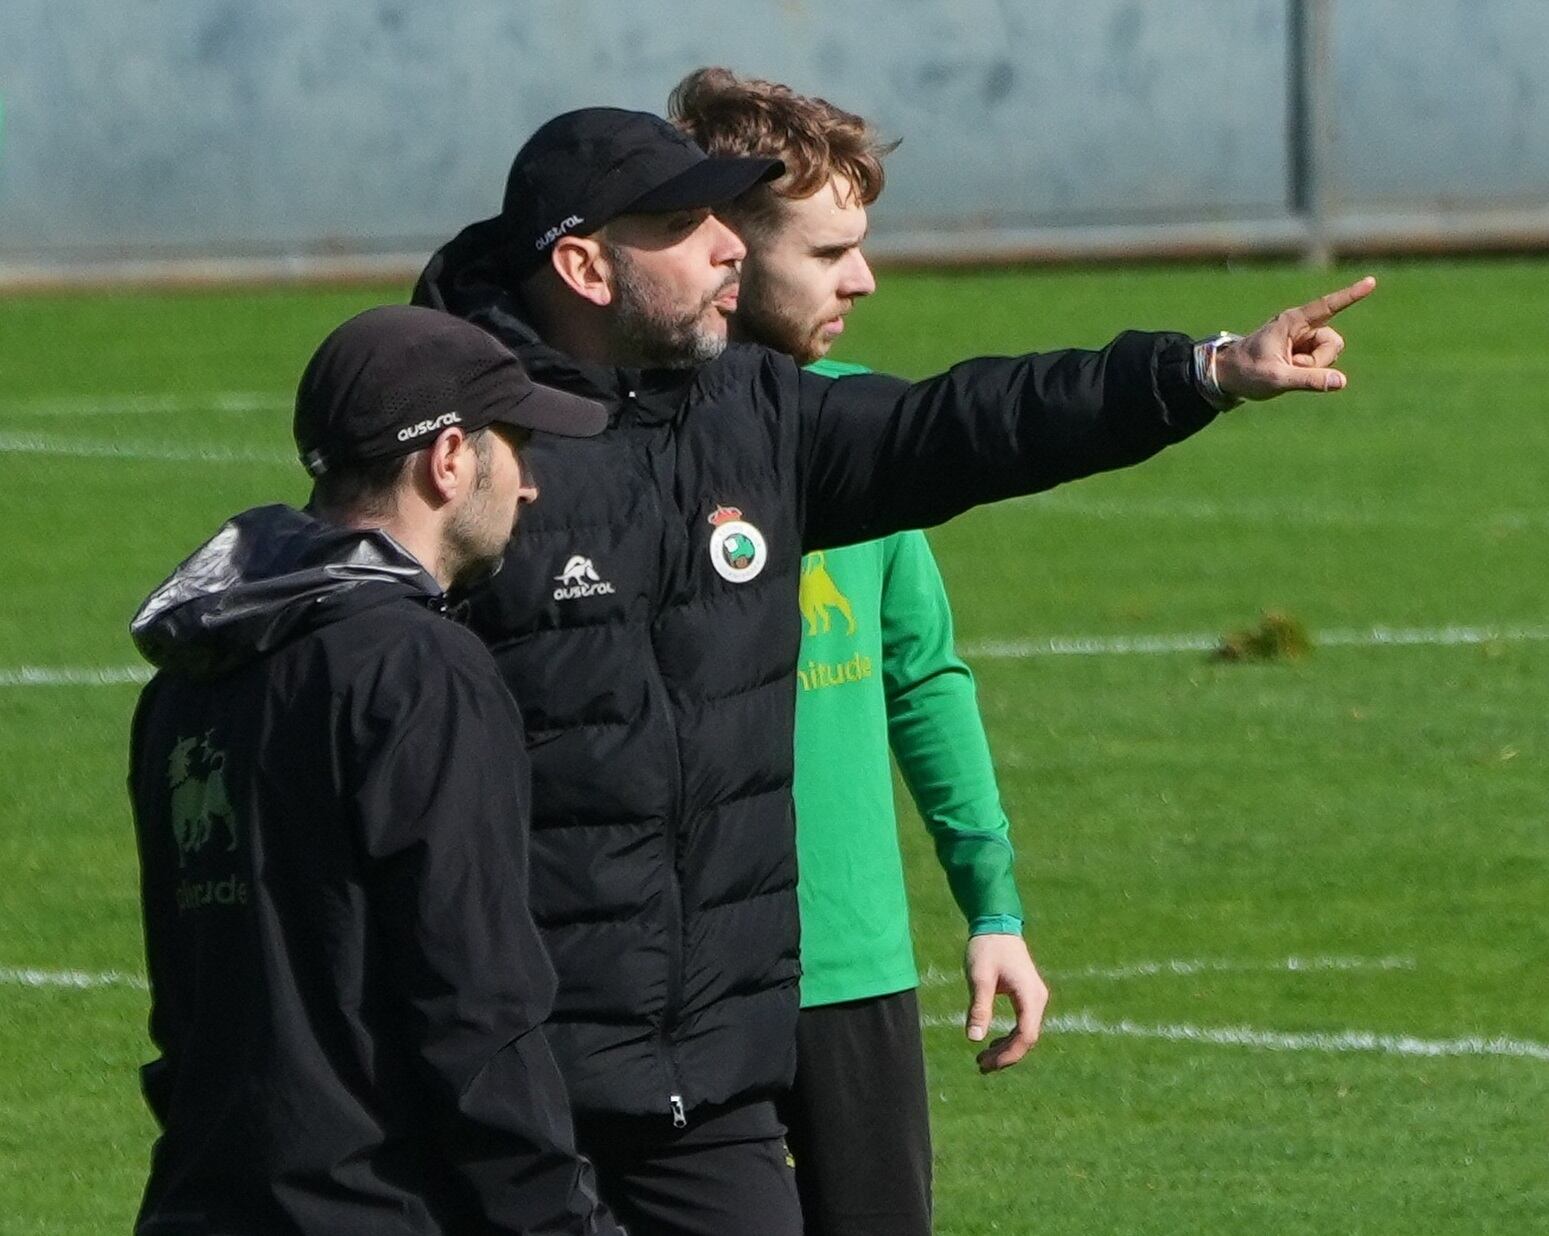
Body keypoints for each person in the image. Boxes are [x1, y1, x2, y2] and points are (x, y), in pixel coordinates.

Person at [413, 105, 1372, 1236]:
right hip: (516, 1074)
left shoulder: (752, 415)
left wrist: (1200, 373)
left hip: (705, 1077)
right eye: (683, 224)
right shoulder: (456, 454)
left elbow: (965, 423)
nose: (725, 245)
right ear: (582, 264)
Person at [125, 305, 624, 1236]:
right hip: (377, 1205)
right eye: (514, 446)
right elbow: (474, 996)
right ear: (447, 461)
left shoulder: (193, 674)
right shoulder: (421, 671)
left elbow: (190, 1000)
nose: (530, 489)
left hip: (207, 1198)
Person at [670, 66, 1046, 1236]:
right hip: (676, 984)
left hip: (853, 965)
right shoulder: (614, 452)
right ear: (727, 245)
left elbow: (923, 675)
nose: (865, 279)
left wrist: (992, 909)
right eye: (830, 253)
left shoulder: (857, 439)